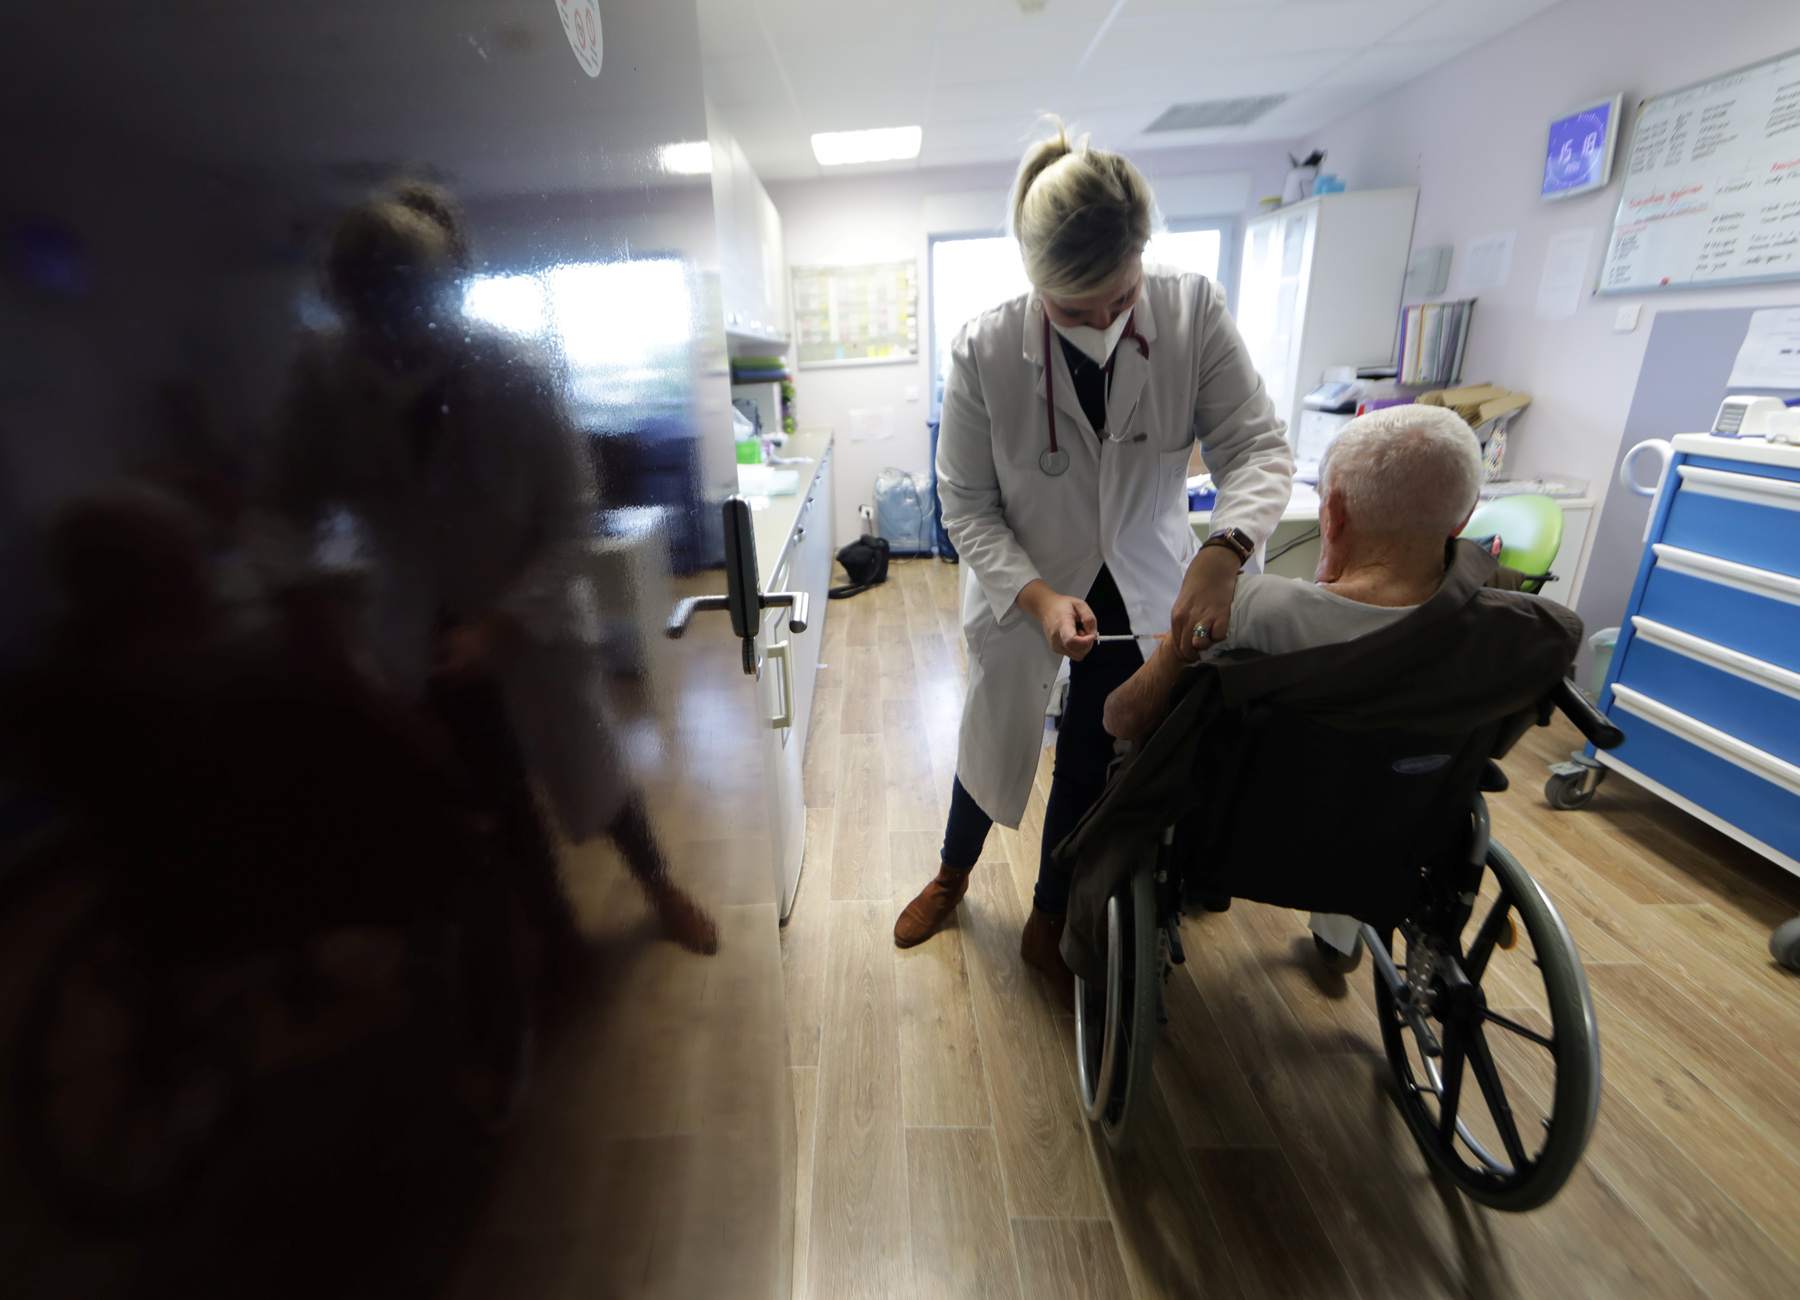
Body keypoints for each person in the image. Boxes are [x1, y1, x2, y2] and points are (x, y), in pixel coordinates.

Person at [256, 182, 717, 958]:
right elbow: (277, 506)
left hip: (528, 616)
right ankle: (556, 938)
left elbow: (570, 518)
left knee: (592, 769)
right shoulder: (323, 376)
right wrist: (299, 605)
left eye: (411, 317)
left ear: (445, 295)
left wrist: (501, 624)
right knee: (493, 792)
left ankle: (658, 884)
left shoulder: (513, 370)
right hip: (418, 629)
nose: (395, 346)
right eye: (372, 322)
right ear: (346, 306)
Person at [892, 124, 1294, 1007]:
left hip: (1146, 577)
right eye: (1077, 312)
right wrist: (1037, 597)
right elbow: (965, 505)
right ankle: (953, 874)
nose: (1107, 323)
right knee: (993, 737)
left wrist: (1226, 547)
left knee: (1097, 747)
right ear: (1036, 283)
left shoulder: (1192, 311)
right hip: (1026, 578)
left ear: (1143, 256)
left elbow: (1258, 448)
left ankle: (1048, 915)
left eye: (1122, 298)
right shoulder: (984, 349)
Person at [1103, 405, 1488, 745]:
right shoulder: (1505, 624)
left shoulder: (1247, 611)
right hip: (1419, 804)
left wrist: (1176, 645)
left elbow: (1123, 719)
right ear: (1465, 516)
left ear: (1333, 511)